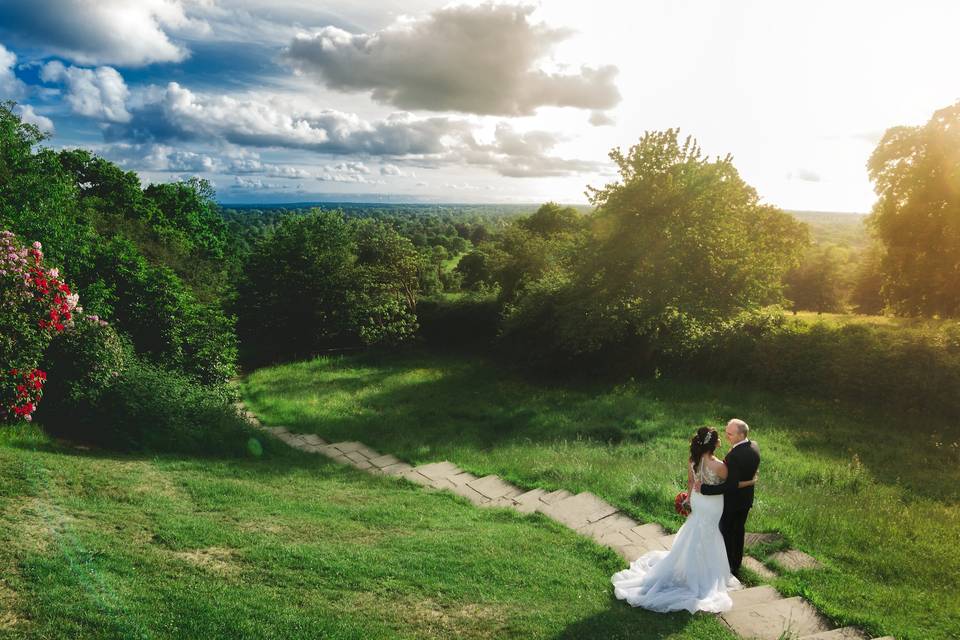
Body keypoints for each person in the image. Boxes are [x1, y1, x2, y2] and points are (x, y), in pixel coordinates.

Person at [611, 426, 755, 613]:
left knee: (694, 530)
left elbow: (690, 482)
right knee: (709, 532)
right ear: (714, 443)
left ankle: (689, 566)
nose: (721, 440)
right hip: (712, 505)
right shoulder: (719, 466)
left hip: (697, 501)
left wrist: (688, 499)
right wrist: (751, 481)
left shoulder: (692, 460)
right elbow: (731, 485)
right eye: (719, 438)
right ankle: (704, 575)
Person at [695, 418, 761, 578]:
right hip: (746, 500)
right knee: (738, 531)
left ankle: (727, 565)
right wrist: (751, 481)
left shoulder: (734, 456)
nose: (726, 437)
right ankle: (736, 564)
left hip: (732, 501)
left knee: (726, 532)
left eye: (730, 434)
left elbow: (730, 485)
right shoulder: (754, 446)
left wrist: (705, 489)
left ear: (741, 434)